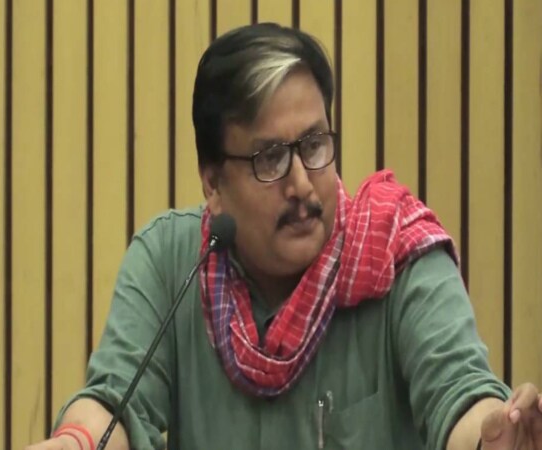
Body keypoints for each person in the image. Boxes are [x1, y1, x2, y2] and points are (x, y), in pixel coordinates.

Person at [26, 23, 542, 450]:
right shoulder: (171, 262)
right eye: (269, 158)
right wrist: (76, 441)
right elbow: (115, 404)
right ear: (213, 184)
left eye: (314, 145)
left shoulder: (396, 255)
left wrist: (494, 435)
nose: (301, 184)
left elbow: (460, 394)